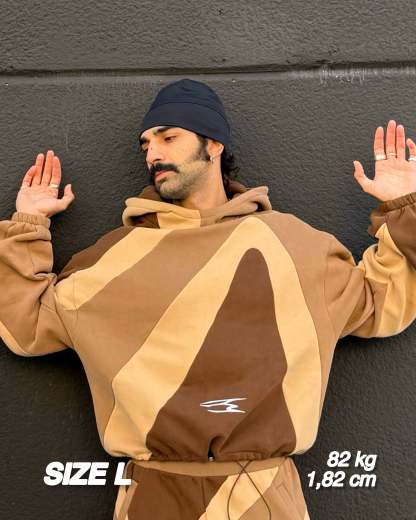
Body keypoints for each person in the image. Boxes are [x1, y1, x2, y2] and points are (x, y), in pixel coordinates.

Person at [0, 79, 415, 520]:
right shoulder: (113, 259)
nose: (153, 154)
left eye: (169, 137)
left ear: (213, 145)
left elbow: (383, 301)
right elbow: (26, 326)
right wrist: (28, 223)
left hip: (263, 499)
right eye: (146, 144)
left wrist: (403, 206)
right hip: (153, 497)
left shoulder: (296, 248)